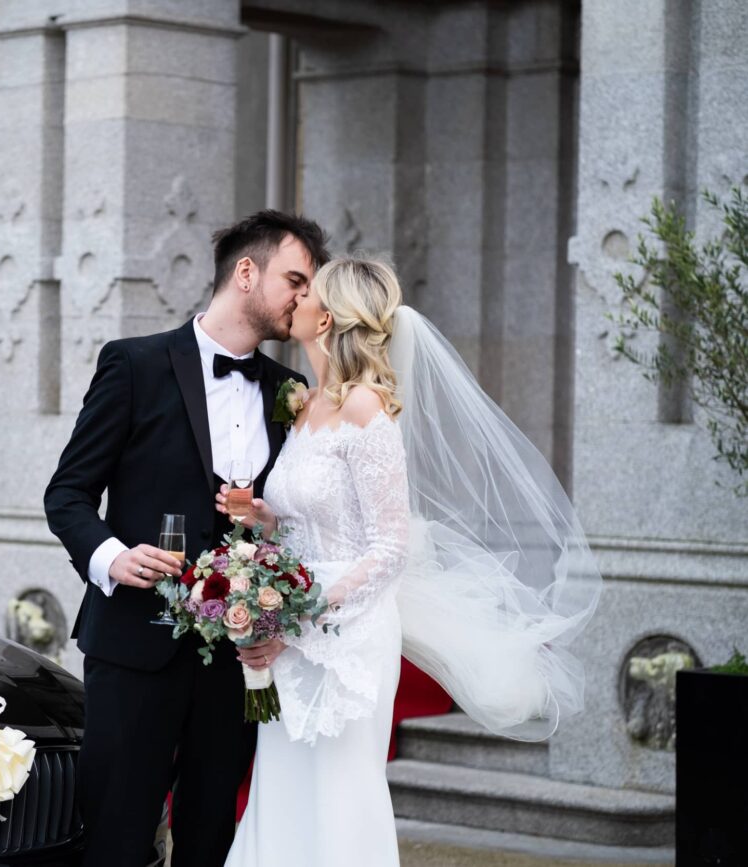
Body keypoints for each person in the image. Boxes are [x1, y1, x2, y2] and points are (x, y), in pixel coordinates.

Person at [223, 256, 600, 866]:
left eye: (308, 291)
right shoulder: (309, 405)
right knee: (283, 786)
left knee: (339, 797)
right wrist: (262, 517)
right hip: (288, 627)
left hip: (345, 632)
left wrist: (304, 613)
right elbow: (312, 519)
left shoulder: (366, 410)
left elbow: (390, 547)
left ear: (329, 319)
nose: (294, 299)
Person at [44, 210, 331, 867]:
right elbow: (67, 493)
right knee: (115, 839)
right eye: (295, 278)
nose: (303, 298)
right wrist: (114, 556)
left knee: (211, 842)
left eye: (308, 284)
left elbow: (297, 522)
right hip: (135, 650)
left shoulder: (291, 393)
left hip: (237, 663)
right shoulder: (134, 364)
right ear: (246, 272)